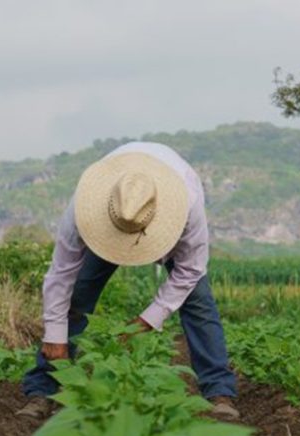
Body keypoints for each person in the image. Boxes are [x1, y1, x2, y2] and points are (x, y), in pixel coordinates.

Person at [16, 142, 239, 419]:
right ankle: (43, 390)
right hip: (109, 229)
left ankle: (219, 391)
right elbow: (61, 273)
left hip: (168, 229)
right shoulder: (84, 208)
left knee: (199, 303)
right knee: (77, 295)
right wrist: (54, 335)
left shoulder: (187, 203)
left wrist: (148, 320)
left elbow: (191, 270)